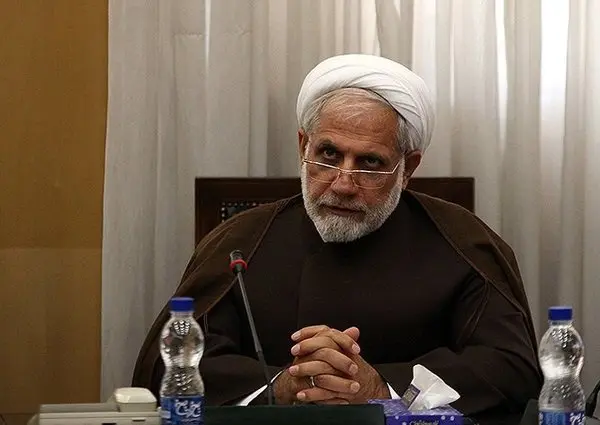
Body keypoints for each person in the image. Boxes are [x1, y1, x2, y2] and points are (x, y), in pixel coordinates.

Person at [132, 54, 542, 422]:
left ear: (409, 167)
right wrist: (280, 387)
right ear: (303, 146)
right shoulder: (241, 239)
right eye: (328, 154)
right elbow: (168, 366)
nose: (343, 184)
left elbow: (511, 368)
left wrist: (382, 389)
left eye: (370, 163)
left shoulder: (463, 243)